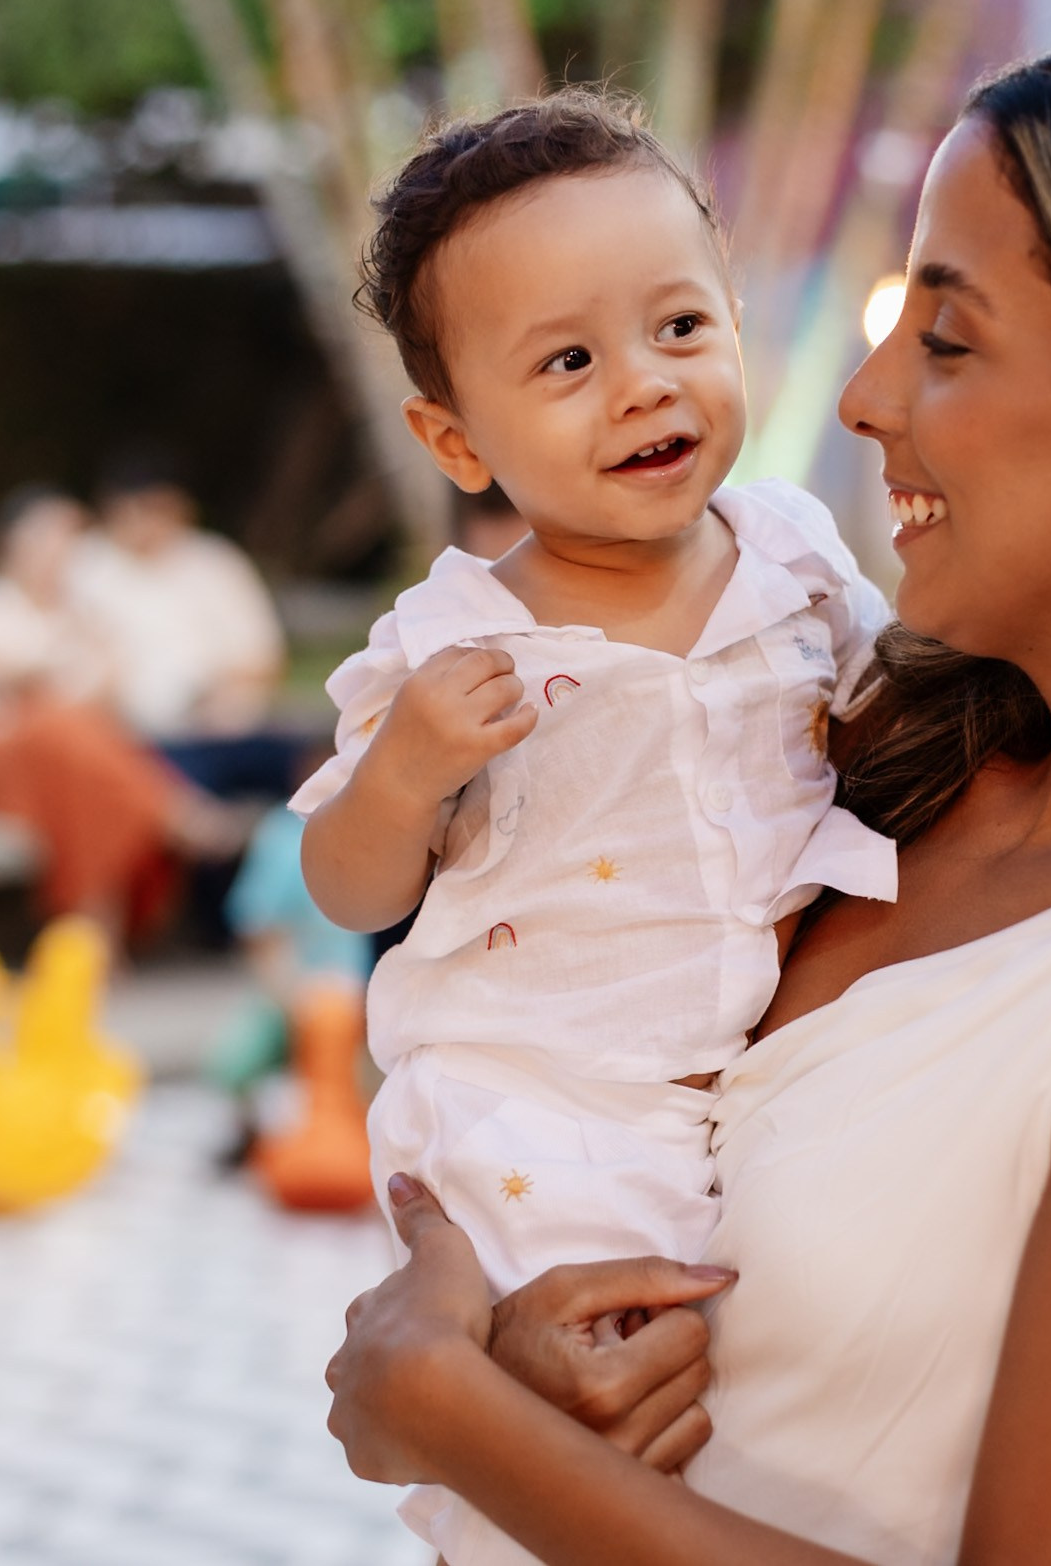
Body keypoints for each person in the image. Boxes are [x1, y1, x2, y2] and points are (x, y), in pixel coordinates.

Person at [323, 35, 1051, 1566]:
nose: (863, 398)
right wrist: (526, 1353)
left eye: (944, 339)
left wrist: (448, 1408)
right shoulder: (890, 766)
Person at [293, 89, 899, 1566]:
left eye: (680, 329)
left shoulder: (798, 556)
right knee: (588, 1422)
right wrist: (406, 772)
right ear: (456, 436)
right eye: (567, 360)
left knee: (730, 1405)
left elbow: (899, 706)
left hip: (737, 1090)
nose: (643, 385)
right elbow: (341, 880)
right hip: (535, 1106)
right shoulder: (454, 639)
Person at [0, 484, 248, 945]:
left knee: (76, 777)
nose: (58, 552)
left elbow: (104, 694)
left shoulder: (85, 616)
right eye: (45, 537)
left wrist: (63, 670)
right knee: (58, 725)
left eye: (68, 539)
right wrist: (68, 663)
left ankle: (92, 945)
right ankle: (178, 815)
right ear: (8, 546)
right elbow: (12, 675)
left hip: (56, 769)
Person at [72, 447, 294, 798]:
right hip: (137, 739)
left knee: (306, 769)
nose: (146, 520)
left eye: (158, 507)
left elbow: (263, 658)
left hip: (228, 731)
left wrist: (213, 694)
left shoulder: (215, 562)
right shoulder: (85, 568)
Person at [207, 783, 376, 1171]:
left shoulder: (383, 822)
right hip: (298, 992)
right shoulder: (284, 837)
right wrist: (290, 998)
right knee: (233, 1062)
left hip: (364, 995)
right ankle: (252, 1137)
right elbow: (259, 929)